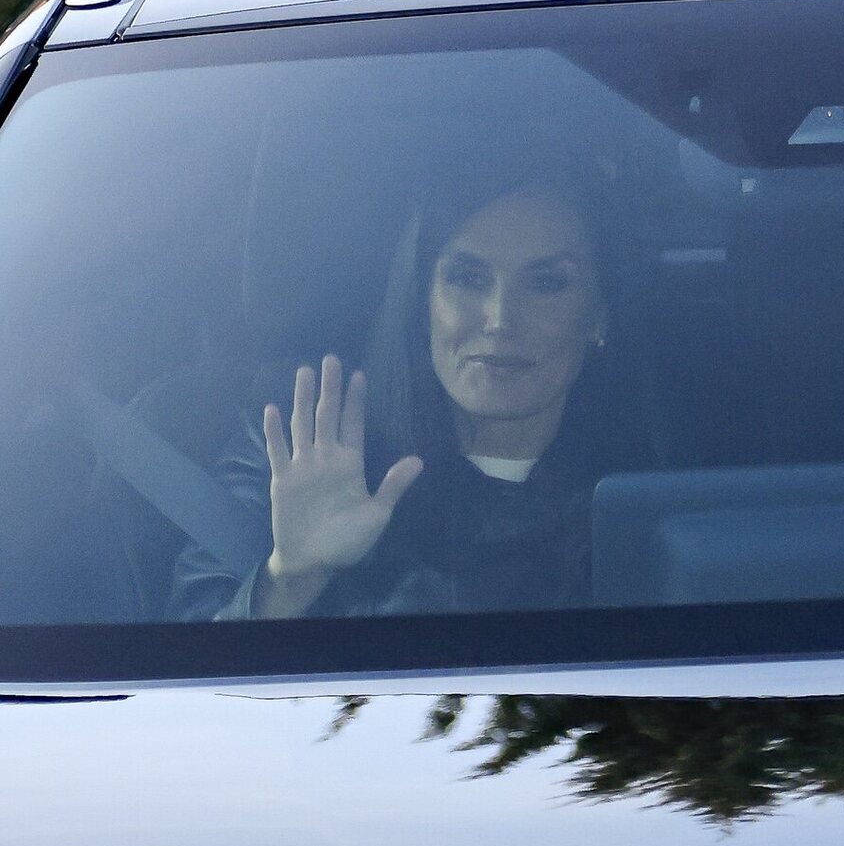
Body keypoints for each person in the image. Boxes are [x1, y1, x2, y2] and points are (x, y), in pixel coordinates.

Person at [171, 161, 645, 620]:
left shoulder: (655, 477)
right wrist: (292, 579)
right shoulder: (301, 449)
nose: (500, 319)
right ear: (422, 301)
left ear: (599, 315)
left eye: (545, 283)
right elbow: (183, 674)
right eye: (468, 279)